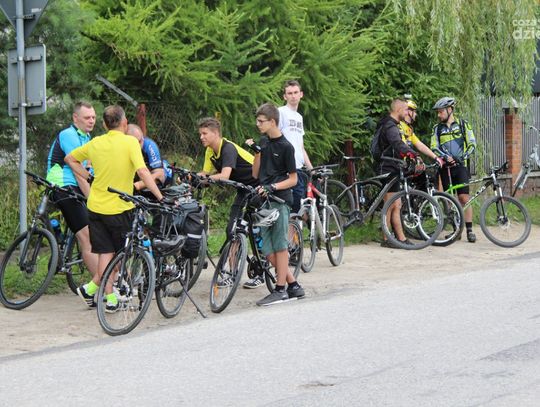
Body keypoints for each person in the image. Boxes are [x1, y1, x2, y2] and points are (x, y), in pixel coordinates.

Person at [65, 105, 163, 312]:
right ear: (125, 122)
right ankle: (92, 289)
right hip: (119, 208)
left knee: (105, 253)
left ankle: (108, 298)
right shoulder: (130, 142)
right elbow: (143, 172)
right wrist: (160, 197)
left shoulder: (96, 142)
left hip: (95, 207)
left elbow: (70, 159)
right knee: (117, 257)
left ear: (104, 124)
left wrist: (88, 177)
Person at [196, 117, 265, 288]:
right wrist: (192, 178)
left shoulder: (228, 148)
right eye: (200, 134)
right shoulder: (210, 150)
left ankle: (261, 272)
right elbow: (205, 173)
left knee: (254, 230)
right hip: (243, 189)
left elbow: (224, 175)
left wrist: (206, 179)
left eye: (204, 133)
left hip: (258, 187)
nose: (201, 137)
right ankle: (232, 274)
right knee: (232, 230)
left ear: (215, 133)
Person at [250, 102, 305, 306]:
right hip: (265, 201)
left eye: (261, 121)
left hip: (280, 200)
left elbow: (293, 179)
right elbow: (255, 174)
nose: (258, 124)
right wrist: (257, 152)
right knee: (267, 250)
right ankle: (293, 285)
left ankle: (280, 290)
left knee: (280, 246)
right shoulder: (264, 142)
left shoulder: (286, 147)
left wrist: (273, 187)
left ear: (272, 122)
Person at [46, 101, 98, 280]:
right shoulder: (68, 135)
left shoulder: (87, 137)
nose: (91, 121)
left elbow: (89, 170)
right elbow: (79, 173)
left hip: (75, 187)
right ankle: (102, 286)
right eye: (87, 117)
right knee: (87, 237)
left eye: (93, 117)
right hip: (62, 185)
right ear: (76, 118)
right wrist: (93, 201)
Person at [372, 98, 420, 248]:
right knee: (390, 204)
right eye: (406, 109)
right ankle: (387, 239)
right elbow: (398, 144)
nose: (407, 113)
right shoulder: (390, 126)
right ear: (399, 110)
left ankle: (400, 238)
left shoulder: (393, 124)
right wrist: (412, 154)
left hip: (393, 166)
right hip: (387, 167)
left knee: (396, 204)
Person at [430, 97, 477, 243]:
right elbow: (433, 147)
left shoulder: (463, 124)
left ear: (450, 110)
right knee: (449, 199)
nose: (439, 115)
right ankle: (456, 230)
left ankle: (469, 230)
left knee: (464, 198)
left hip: (461, 167)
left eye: (441, 112)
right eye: (438, 112)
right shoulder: (437, 129)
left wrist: (461, 157)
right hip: (445, 168)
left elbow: (472, 144)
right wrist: (445, 157)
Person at [278, 80, 313, 213]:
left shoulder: (299, 117)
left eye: (295, 92)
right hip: (287, 168)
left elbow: (301, 147)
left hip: (299, 167)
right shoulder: (281, 112)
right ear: (284, 96)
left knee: (299, 208)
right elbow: (276, 139)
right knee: (292, 207)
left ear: (301, 94)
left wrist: (311, 169)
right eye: (289, 93)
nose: (293, 96)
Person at [126, 124, 172, 191]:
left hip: (165, 177)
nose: (138, 145)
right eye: (135, 142)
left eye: (140, 141)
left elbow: (160, 175)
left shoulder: (149, 145)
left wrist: (137, 185)